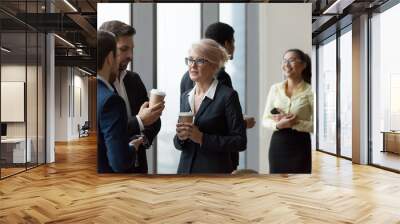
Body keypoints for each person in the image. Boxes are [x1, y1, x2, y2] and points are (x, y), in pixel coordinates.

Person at [180, 22, 255, 171]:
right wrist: (181, 137)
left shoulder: (227, 95)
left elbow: (238, 140)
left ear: (214, 66)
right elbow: (181, 142)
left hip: (214, 170)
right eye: (190, 60)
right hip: (186, 169)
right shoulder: (186, 96)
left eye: (200, 61)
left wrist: (201, 138)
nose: (192, 65)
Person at [99, 21, 164, 173]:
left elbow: (153, 121)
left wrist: (143, 138)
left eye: (132, 49)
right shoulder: (100, 88)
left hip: (139, 166)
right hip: (112, 171)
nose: (130, 56)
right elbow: (108, 127)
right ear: (109, 52)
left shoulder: (134, 79)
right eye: (124, 49)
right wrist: (140, 121)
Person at [97, 30, 142, 173]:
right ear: (110, 57)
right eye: (121, 51)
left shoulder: (94, 92)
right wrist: (133, 146)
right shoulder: (112, 100)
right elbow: (119, 162)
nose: (130, 56)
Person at [262, 49, 313, 174]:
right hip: (278, 144)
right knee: (277, 185)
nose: (286, 64)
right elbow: (265, 119)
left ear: (303, 65)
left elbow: (319, 126)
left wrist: (296, 123)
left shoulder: (311, 90)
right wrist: (279, 125)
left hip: (300, 144)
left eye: (291, 60)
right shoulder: (275, 89)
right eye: (284, 61)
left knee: (300, 185)